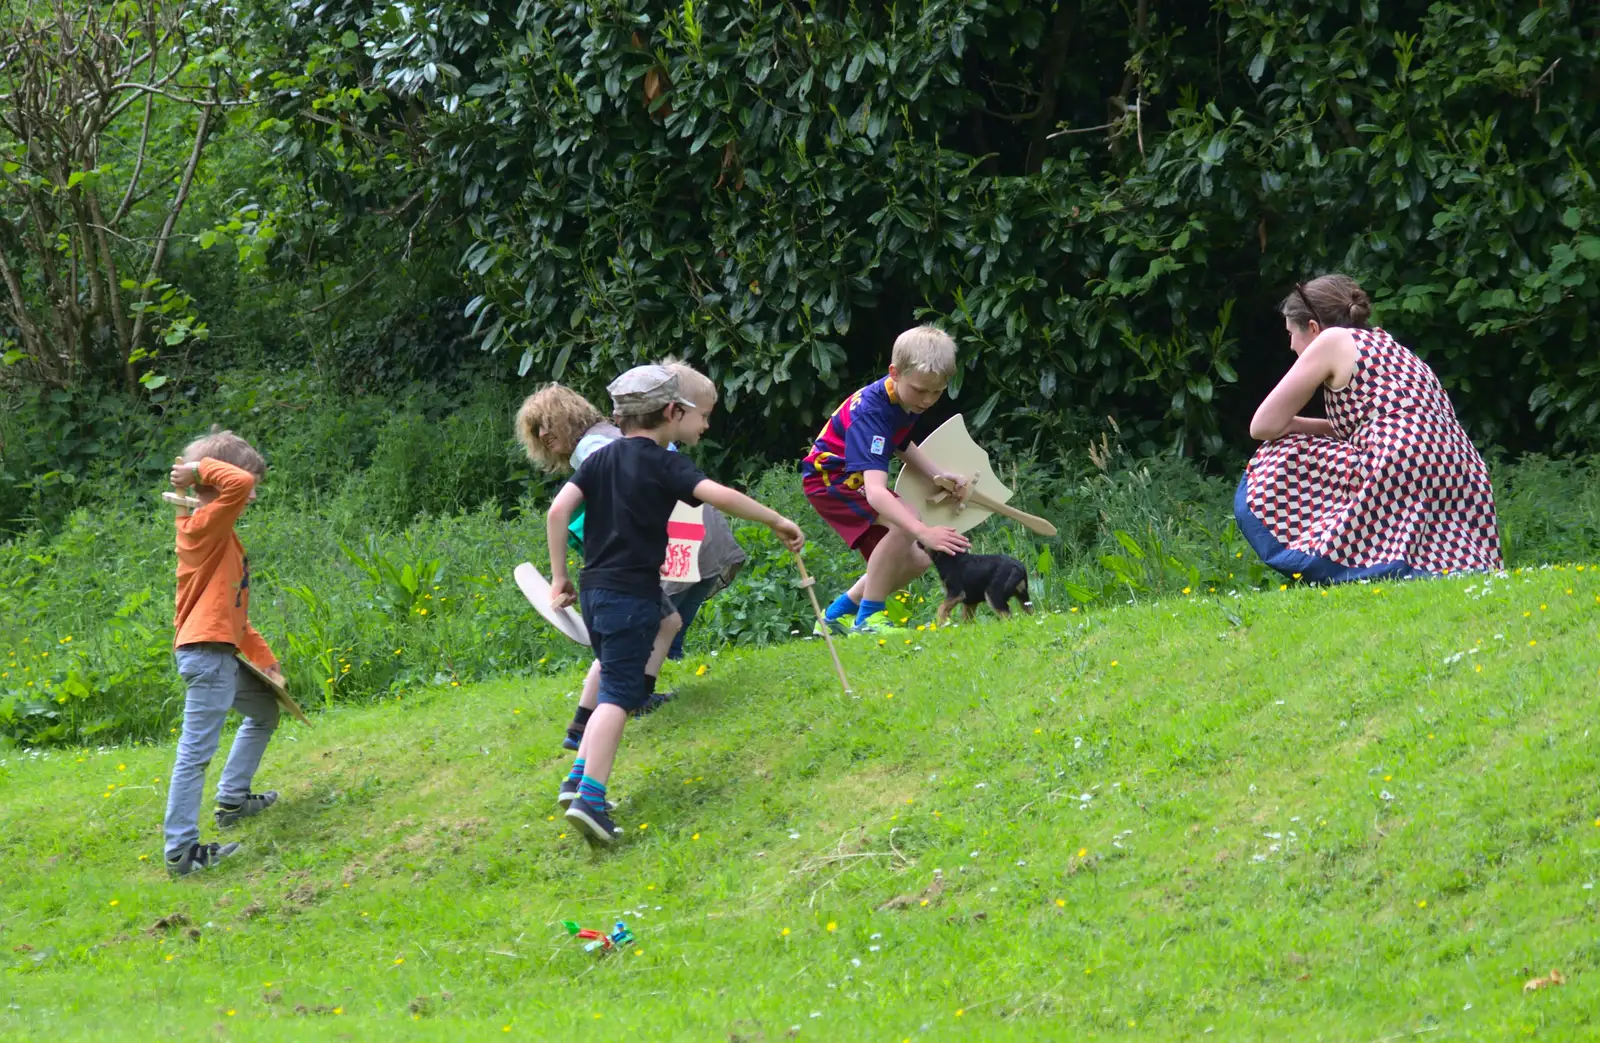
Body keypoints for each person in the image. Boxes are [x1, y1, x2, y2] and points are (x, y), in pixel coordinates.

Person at [547, 365, 804, 843]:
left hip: (596, 589)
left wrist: (560, 577)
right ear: (671, 410)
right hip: (632, 592)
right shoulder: (666, 463)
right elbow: (721, 497)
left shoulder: (598, 461)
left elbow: (558, 511)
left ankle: (575, 780)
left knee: (625, 662)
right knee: (618, 698)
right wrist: (778, 520)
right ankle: (591, 798)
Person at [515, 374, 743, 748]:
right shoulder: (599, 446)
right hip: (638, 565)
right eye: (535, 429)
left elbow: (628, 507)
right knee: (643, 633)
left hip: (661, 553)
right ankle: (601, 716)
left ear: (569, 417)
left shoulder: (596, 449)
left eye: (547, 423)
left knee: (651, 628)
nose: (542, 435)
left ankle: (618, 706)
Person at [1235, 273, 1503, 582]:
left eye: (1290, 334)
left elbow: (1262, 426)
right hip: (1461, 465)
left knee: (1280, 450)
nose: (1291, 345)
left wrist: (1292, 425)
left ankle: (1343, 558)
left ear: (1312, 327)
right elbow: (1375, 423)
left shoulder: (1331, 340)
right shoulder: (1387, 344)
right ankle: (1443, 567)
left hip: (1398, 459)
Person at [162, 429, 284, 876]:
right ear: (216, 483)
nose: (251, 497)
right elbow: (239, 485)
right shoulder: (202, 527)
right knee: (194, 754)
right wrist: (197, 470)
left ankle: (233, 801)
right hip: (208, 656)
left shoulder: (221, 535)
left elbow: (235, 614)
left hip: (219, 652)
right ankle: (181, 853)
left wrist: (266, 661)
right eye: (245, 483)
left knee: (264, 711)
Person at [801, 325, 972, 635]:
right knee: (907, 520)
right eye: (921, 390)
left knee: (917, 561)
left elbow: (900, 442)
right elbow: (876, 494)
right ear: (895, 372)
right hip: (829, 478)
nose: (928, 400)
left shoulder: (904, 398)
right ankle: (870, 618)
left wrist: (936, 475)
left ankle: (835, 616)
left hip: (851, 476)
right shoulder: (872, 413)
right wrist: (924, 531)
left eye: (937, 391)